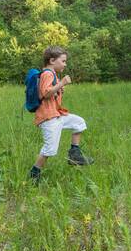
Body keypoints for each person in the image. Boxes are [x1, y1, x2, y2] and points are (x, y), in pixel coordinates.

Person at [29, 46, 92, 184]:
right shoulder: (47, 74)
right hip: (48, 118)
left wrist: (59, 87)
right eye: (63, 61)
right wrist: (62, 83)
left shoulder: (54, 75)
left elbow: (52, 92)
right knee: (50, 150)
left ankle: (74, 154)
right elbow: (45, 93)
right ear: (52, 60)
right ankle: (34, 174)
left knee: (79, 123)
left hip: (57, 114)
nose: (65, 64)